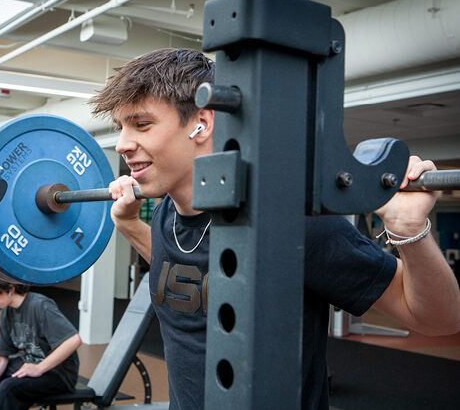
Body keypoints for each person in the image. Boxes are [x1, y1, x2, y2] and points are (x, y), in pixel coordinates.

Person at [88, 48, 460, 410]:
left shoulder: (295, 224)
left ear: (202, 122)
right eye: (120, 127)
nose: (122, 144)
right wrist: (130, 224)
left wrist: (412, 231)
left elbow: (439, 319)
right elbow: (194, 274)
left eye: (141, 124)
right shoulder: (169, 211)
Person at [0, 273, 81, 410]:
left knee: (9, 387)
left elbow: (74, 340)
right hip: (30, 362)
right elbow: (2, 355)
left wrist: (39, 368)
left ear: (11, 289)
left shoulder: (40, 305)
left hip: (58, 374)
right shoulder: (6, 314)